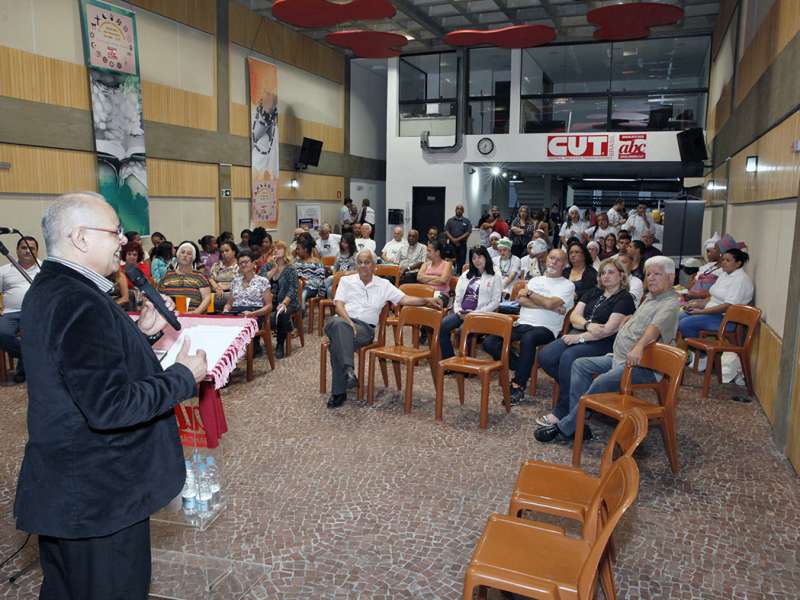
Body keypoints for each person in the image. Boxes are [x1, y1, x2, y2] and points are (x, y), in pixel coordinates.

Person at [15, 192, 206, 598]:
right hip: (99, 497)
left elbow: (80, 370)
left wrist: (144, 334)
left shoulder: (55, 288)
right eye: (115, 231)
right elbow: (110, 406)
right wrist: (183, 377)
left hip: (73, 491)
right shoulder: (76, 300)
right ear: (80, 237)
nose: (124, 240)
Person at [535, 255, 680, 443]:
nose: (650, 278)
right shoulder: (651, 298)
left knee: (598, 381)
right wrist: (630, 320)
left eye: (657, 274)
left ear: (671, 277)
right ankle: (577, 419)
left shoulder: (669, 303)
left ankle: (567, 426)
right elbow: (642, 321)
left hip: (642, 364)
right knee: (580, 365)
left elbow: (654, 329)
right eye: (648, 274)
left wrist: (638, 347)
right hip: (620, 356)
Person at [324, 250, 443, 408]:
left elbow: (404, 298)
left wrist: (426, 300)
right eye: (360, 262)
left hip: (364, 329)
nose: (363, 266)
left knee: (336, 342)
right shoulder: (347, 281)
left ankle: (340, 390)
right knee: (338, 325)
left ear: (374, 266)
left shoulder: (383, 285)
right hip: (343, 320)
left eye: (367, 262)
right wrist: (349, 323)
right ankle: (348, 371)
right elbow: (338, 305)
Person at [536, 258, 637, 428]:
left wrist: (580, 337)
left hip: (605, 343)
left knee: (568, 358)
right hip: (582, 333)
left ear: (621, 276)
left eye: (611, 272)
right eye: (603, 273)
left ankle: (563, 411)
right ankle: (581, 392)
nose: (606, 276)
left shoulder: (625, 298)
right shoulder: (593, 292)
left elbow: (607, 330)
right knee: (546, 355)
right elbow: (575, 316)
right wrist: (587, 325)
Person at [483, 249, 575, 404]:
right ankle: (523, 367)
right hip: (523, 323)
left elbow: (548, 302)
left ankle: (518, 385)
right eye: (552, 258)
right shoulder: (535, 280)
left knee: (529, 338)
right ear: (547, 259)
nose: (553, 262)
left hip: (547, 328)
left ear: (565, 265)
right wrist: (548, 305)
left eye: (558, 260)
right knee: (490, 341)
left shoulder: (567, 285)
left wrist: (532, 295)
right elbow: (521, 301)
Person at [438, 246, 502, 360]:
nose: (477, 260)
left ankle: (465, 365)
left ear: (486, 257)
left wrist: (475, 314)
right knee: (442, 325)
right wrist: (458, 311)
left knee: (464, 329)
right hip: (462, 312)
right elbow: (457, 297)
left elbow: (495, 302)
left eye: (480, 257)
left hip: (481, 314)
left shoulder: (495, 275)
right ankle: (450, 359)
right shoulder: (466, 274)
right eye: (474, 258)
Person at [679, 248, 754, 340]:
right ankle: (694, 348)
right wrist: (697, 304)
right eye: (723, 260)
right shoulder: (724, 274)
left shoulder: (740, 280)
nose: (723, 262)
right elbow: (713, 297)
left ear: (738, 263)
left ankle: (702, 352)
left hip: (726, 320)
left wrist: (701, 311)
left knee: (685, 324)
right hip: (711, 313)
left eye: (728, 260)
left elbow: (728, 306)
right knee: (678, 316)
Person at [0, 236, 40, 383]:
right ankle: (29, 357)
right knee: (1, 332)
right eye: (24, 248)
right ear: (17, 250)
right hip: (10, 313)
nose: (28, 251)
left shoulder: (44, 270)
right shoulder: (4, 271)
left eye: (32, 248)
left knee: (34, 334)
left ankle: (22, 371)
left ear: (37, 252)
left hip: (35, 312)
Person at [223, 250, 272, 351]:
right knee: (221, 326)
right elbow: (229, 303)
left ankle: (245, 350)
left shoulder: (262, 281)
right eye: (241, 263)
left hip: (255, 314)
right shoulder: (235, 281)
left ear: (253, 263)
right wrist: (226, 310)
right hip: (237, 313)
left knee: (239, 327)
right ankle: (230, 358)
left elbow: (269, 306)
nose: (244, 265)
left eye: (246, 261)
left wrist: (252, 313)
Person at [265, 241, 299, 358]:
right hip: (269, 302)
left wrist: (284, 303)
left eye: (279, 248)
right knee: (254, 311)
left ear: (285, 251)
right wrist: (274, 269)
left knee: (282, 313)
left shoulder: (290, 269)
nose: (275, 250)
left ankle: (280, 344)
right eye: (273, 248)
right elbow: (260, 282)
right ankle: (255, 345)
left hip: (288, 302)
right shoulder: (268, 266)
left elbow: (293, 289)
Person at [159, 242, 212, 314]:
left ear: (193, 258)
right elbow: (159, 296)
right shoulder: (168, 275)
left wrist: (196, 312)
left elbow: (207, 298)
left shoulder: (199, 276)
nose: (185, 255)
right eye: (182, 252)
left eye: (189, 254)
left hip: (193, 316)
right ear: (177, 256)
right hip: (170, 316)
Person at [685, 233, 723, 299]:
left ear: (719, 252)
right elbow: (692, 283)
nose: (707, 254)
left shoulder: (724, 270)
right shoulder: (705, 267)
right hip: (692, 297)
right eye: (707, 251)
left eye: (709, 251)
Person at [417, 239, 454, 304]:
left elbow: (443, 280)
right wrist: (437, 277)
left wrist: (426, 279)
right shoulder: (425, 264)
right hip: (425, 292)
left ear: (437, 252)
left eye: (429, 251)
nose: (426, 253)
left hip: (441, 294)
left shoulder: (447, 264)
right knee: (412, 301)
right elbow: (419, 278)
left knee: (427, 302)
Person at [294, 234, 326, 308]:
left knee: (302, 295)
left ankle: (300, 317)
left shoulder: (316, 263)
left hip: (311, 288)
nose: (296, 251)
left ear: (305, 250)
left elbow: (320, 281)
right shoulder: (297, 262)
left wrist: (305, 282)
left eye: (298, 249)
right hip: (298, 286)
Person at [325, 232, 358, 297]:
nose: (343, 244)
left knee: (329, 284)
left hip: (349, 278)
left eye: (346, 243)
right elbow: (335, 267)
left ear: (350, 243)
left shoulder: (356, 255)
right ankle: (326, 302)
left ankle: (321, 296)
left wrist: (346, 273)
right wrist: (335, 274)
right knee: (329, 286)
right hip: (337, 277)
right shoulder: (339, 253)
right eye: (342, 242)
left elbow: (357, 271)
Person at [209, 240, 239, 311]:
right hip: (217, 292)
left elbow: (241, 281)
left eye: (227, 251)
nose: (224, 253)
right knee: (208, 298)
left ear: (234, 251)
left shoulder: (240, 265)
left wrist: (224, 287)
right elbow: (211, 279)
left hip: (233, 293)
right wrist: (217, 288)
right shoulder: (217, 265)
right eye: (222, 252)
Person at [445, 204, 472, 273]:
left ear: (463, 211)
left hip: (462, 245)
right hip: (451, 245)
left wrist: (457, 240)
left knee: (461, 262)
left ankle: (460, 277)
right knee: (451, 261)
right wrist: (453, 240)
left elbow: (468, 232)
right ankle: (450, 276)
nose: (459, 210)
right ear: (455, 210)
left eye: (461, 209)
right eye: (458, 209)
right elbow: (446, 231)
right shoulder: (450, 220)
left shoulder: (467, 221)